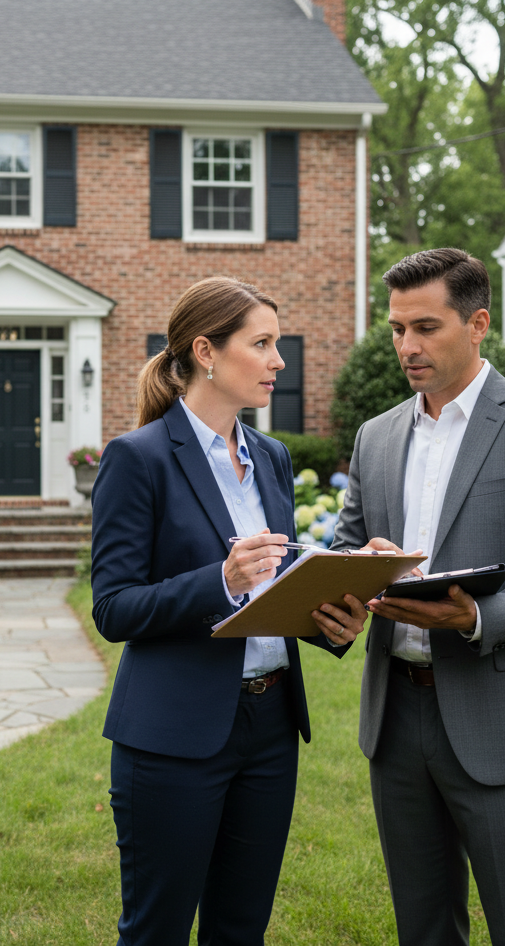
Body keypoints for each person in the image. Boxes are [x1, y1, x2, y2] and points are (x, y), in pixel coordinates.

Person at [91, 276, 367, 946]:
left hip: (271, 728)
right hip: (173, 737)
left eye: (278, 344)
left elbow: (269, 593)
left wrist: (332, 614)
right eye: (264, 344)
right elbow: (114, 607)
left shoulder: (271, 457)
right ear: (206, 351)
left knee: (241, 929)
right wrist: (218, 579)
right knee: (155, 931)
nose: (279, 361)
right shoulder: (139, 458)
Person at [330, 247, 505, 945]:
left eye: (426, 328)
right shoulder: (376, 436)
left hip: (503, 721)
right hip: (395, 717)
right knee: (423, 928)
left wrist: (480, 615)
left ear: (478, 322)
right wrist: (347, 576)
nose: (407, 346)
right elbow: (345, 548)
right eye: (398, 329)